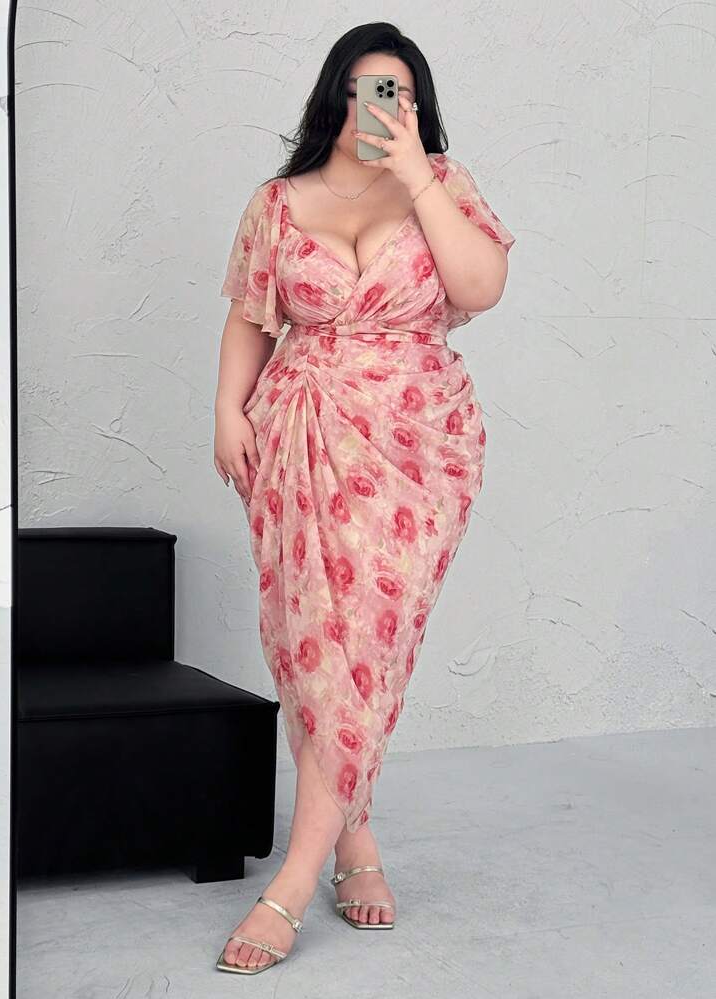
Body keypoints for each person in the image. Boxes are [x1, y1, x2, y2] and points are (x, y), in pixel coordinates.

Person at [212, 22, 515, 975]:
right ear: (330, 99)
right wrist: (225, 411)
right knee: (314, 648)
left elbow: (481, 286)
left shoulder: (444, 184)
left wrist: (417, 172)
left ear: (416, 105)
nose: (372, 108)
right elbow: (250, 316)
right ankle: (354, 838)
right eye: (357, 89)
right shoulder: (278, 201)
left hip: (416, 446)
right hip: (299, 436)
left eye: (393, 92)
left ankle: (291, 881)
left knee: (368, 651)